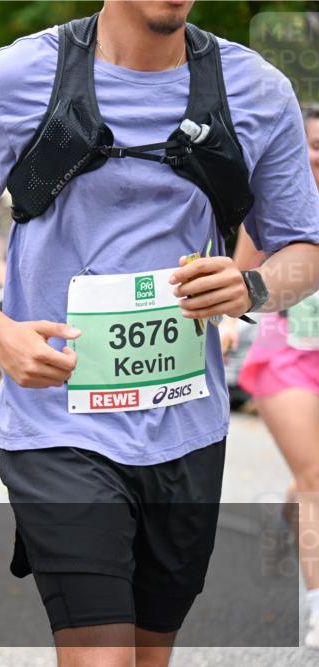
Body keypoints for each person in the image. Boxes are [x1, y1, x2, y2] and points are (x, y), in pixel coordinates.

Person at [0, 2, 319, 664]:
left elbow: (303, 245)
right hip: (58, 425)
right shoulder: (14, 78)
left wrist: (254, 288)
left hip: (187, 427)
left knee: (150, 654)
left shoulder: (256, 89)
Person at [228, 105, 319, 648]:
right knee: (317, 476)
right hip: (287, 349)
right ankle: (317, 604)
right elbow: (242, 277)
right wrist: (226, 323)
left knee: (312, 478)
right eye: (313, 144)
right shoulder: (276, 202)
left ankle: (294, 505)